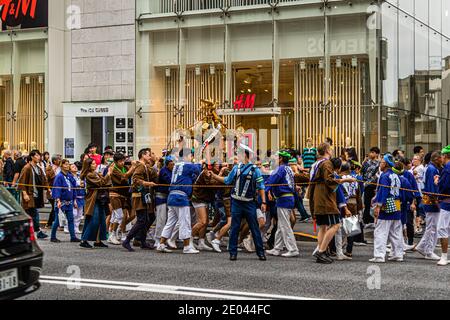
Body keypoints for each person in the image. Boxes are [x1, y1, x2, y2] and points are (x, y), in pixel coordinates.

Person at [210, 144, 267, 261]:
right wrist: (215, 176)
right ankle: (233, 252)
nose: (237, 156)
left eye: (239, 154)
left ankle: (260, 252)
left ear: (245, 155)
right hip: (236, 202)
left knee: (254, 227)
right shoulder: (236, 168)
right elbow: (227, 180)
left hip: (249, 203)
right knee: (235, 227)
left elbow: (261, 187)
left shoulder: (255, 170)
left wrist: (264, 202)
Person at [307, 143, 348, 264]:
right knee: (336, 224)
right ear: (327, 150)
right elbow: (329, 180)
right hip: (325, 198)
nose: (332, 151)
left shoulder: (315, 164)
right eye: (331, 149)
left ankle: (321, 251)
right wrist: (345, 179)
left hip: (317, 197)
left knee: (323, 226)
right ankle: (321, 251)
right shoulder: (326, 163)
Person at [158, 148, 202, 254]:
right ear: (187, 156)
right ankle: (187, 246)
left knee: (170, 222)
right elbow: (198, 169)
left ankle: (161, 244)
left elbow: (190, 176)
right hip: (181, 197)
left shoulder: (177, 165)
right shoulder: (187, 165)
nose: (192, 158)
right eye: (191, 156)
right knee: (185, 222)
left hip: (172, 195)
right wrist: (200, 162)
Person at [369, 154, 403, 263]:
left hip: (386, 205)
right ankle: (398, 254)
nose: (380, 164)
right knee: (396, 232)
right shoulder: (396, 175)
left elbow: (383, 192)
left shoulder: (384, 176)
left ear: (386, 164)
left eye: (382, 162)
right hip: (396, 204)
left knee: (381, 231)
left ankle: (379, 256)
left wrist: (378, 206)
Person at [122, 148, 158, 252]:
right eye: (148, 155)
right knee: (142, 219)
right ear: (143, 155)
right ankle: (127, 240)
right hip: (138, 196)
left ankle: (142, 242)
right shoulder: (140, 166)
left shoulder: (144, 166)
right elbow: (135, 180)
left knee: (146, 219)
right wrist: (148, 183)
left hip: (143, 195)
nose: (150, 157)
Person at [265, 151, 299, 258]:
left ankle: (293, 249)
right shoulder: (288, 168)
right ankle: (277, 248)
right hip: (287, 197)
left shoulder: (280, 169)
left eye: (276, 157)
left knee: (284, 225)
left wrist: (264, 189)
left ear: (280, 159)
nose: (274, 158)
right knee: (281, 225)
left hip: (284, 198)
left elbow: (271, 180)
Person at [413, 151, 443, 261]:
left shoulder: (431, 168)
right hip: (431, 201)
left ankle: (422, 247)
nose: (442, 160)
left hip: (430, 200)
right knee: (433, 227)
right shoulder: (432, 169)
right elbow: (432, 188)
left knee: (432, 226)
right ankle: (429, 251)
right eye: (441, 158)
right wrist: (437, 201)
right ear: (436, 159)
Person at [79, 157, 113, 249]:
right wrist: (108, 174)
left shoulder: (95, 173)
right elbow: (101, 183)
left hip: (100, 199)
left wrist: (105, 176)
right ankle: (84, 240)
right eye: (93, 164)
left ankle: (98, 241)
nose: (95, 165)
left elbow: (105, 183)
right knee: (94, 220)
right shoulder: (89, 174)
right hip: (93, 200)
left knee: (101, 220)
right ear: (88, 166)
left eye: (95, 163)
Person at [18, 150, 49, 239]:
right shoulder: (27, 168)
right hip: (29, 195)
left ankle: (29, 232)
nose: (39, 157)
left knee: (32, 214)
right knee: (33, 214)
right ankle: (36, 232)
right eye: (37, 155)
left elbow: (43, 180)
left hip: (36, 195)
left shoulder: (38, 168)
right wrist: (24, 194)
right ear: (32, 157)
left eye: (39, 155)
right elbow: (22, 182)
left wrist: (48, 189)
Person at [50, 159, 80, 243]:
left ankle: (73, 236)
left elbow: (74, 188)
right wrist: (58, 200)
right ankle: (52, 236)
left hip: (69, 201)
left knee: (71, 219)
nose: (67, 166)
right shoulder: (59, 176)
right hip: (61, 201)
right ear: (61, 166)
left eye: (68, 164)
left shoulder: (70, 176)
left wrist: (74, 200)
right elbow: (56, 189)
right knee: (57, 220)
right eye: (65, 164)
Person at [108, 153, 135, 245]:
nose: (122, 163)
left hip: (124, 195)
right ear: (115, 161)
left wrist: (133, 166)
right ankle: (112, 234)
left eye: (123, 160)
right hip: (115, 194)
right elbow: (124, 176)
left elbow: (130, 174)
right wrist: (132, 168)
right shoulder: (114, 169)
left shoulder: (125, 167)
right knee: (119, 216)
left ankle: (114, 232)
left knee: (118, 216)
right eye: (120, 161)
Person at [154, 156, 174, 248]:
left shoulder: (171, 170)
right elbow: (169, 181)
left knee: (167, 220)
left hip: (168, 197)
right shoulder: (164, 171)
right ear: (167, 164)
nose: (173, 165)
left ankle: (164, 238)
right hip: (161, 197)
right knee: (161, 219)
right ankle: (157, 239)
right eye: (171, 164)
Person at [436, 146, 450, 266]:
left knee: (442, 229)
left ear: (445, 156)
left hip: (447, 203)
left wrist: (437, 182)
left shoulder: (447, 168)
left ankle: (444, 257)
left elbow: (444, 186)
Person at [361, 147, 380, 225]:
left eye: (373, 152)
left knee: (374, 203)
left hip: (374, 186)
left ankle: (374, 219)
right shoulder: (366, 162)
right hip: (366, 186)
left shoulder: (378, 163)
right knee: (366, 203)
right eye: (370, 152)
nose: (371, 154)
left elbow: (377, 175)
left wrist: (369, 182)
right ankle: (366, 219)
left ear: (377, 154)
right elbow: (362, 172)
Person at [45, 154, 62, 229]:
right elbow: (47, 179)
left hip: (61, 190)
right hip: (52, 190)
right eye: (59, 159)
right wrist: (54, 171)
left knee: (56, 207)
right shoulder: (50, 168)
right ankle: (51, 223)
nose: (60, 160)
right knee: (54, 206)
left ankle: (51, 223)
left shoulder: (61, 168)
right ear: (55, 160)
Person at [71, 162, 84, 234]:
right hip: (74, 197)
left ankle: (76, 227)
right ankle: (69, 227)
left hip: (81, 196)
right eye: (72, 167)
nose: (75, 167)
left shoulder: (80, 175)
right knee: (74, 214)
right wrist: (78, 184)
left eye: (75, 166)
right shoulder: (70, 177)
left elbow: (83, 183)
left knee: (79, 214)